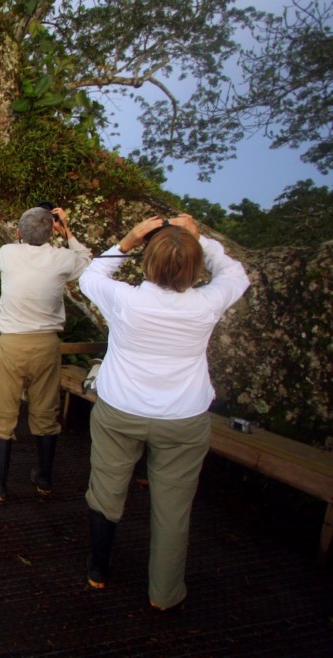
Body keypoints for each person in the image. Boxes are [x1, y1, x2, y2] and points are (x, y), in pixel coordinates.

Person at [78, 214, 249, 611]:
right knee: (174, 507)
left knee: (106, 488)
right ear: (196, 270)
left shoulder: (127, 300)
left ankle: (99, 569)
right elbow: (236, 273)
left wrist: (128, 239)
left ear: (148, 262)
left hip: (120, 409)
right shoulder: (208, 302)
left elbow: (89, 276)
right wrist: (198, 239)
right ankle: (164, 593)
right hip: (183, 417)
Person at [0, 205, 92, 501]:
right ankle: (43, 478)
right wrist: (65, 230)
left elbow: (23, 244)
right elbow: (86, 260)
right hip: (46, 344)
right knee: (45, 412)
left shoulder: (7, 253)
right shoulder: (62, 260)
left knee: (3, 413)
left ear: (18, 234)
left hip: (12, 344)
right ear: (50, 235)